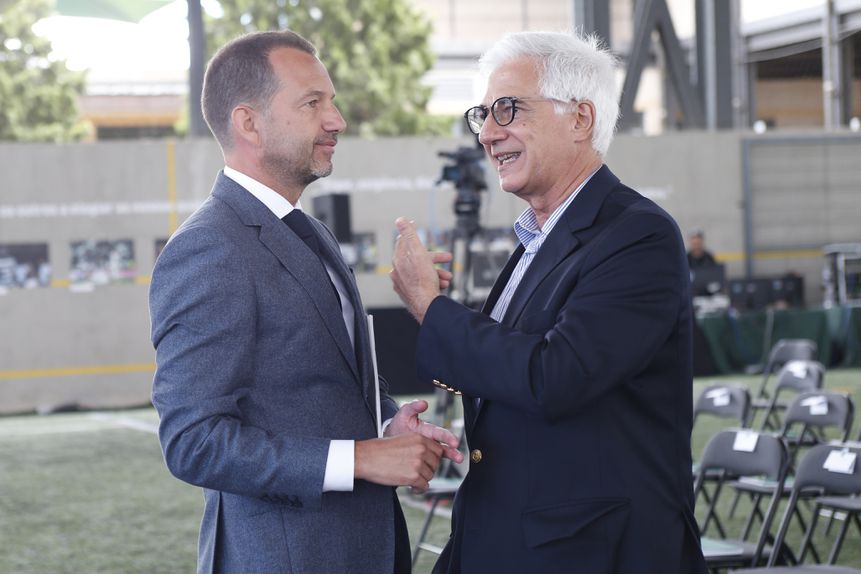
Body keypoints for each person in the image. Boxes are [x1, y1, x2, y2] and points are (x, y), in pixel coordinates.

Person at [390, 31, 707, 573]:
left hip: (590, 555)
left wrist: (430, 307)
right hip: (509, 539)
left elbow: (554, 376)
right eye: (482, 115)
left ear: (580, 119)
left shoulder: (638, 235)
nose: (487, 134)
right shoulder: (539, 239)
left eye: (507, 109)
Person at [149, 30, 461, 574]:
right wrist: (360, 459)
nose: (336, 120)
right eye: (313, 103)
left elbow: (325, 384)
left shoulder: (311, 233)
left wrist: (388, 426)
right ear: (249, 123)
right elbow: (194, 442)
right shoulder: (209, 247)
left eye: (331, 101)